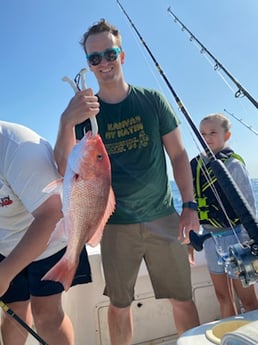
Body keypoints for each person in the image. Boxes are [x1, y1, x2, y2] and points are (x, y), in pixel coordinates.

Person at [54, 19, 200, 345]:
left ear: (122, 55)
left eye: (110, 53)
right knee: (119, 305)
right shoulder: (84, 114)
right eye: (95, 58)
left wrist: (189, 205)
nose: (103, 63)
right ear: (89, 66)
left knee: (182, 298)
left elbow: (178, 155)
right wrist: (67, 119)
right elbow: (65, 167)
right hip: (115, 225)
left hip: (164, 217)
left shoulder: (152, 101)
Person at [0, 120, 92, 345]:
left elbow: (52, 215)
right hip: (6, 240)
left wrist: (3, 274)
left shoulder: (18, 145)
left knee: (46, 315)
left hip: (49, 237)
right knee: (12, 315)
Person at [190, 113, 258, 318]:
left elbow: (249, 206)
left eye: (213, 133)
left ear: (226, 135)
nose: (207, 138)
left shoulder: (234, 165)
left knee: (248, 299)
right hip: (210, 239)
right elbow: (191, 202)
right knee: (222, 296)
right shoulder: (196, 165)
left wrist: (250, 242)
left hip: (237, 238)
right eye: (202, 134)